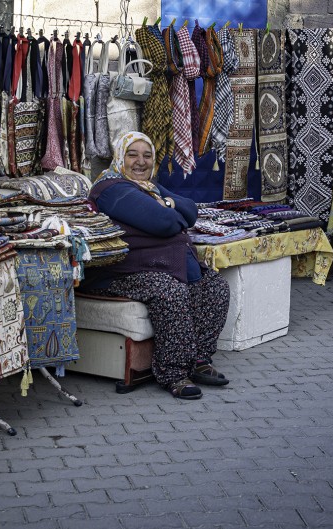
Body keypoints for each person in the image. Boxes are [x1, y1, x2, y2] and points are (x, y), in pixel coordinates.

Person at [81, 131, 231, 400]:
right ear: (119, 158)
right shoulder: (112, 188)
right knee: (169, 292)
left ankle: (198, 359)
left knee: (215, 287)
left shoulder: (149, 187)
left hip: (159, 265)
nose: (141, 161)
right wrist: (171, 214)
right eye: (132, 154)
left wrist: (168, 203)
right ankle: (173, 374)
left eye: (147, 155)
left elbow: (191, 210)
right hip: (121, 271)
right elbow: (164, 223)